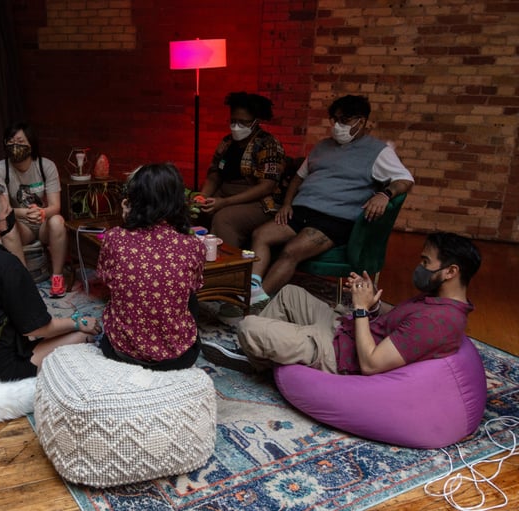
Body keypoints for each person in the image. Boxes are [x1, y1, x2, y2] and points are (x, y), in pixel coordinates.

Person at [203, 232, 480, 376]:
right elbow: (399, 322)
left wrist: (359, 309)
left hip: (340, 355)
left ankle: (268, 356)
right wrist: (371, 304)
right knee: (289, 293)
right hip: (343, 331)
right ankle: (264, 358)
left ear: (450, 271)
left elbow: (371, 364)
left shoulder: (438, 322)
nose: (419, 267)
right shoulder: (437, 301)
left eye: (425, 262)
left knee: (250, 326)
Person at [246, 94, 414, 306]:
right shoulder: (323, 146)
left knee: (291, 251)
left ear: (360, 121)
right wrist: (288, 203)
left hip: (334, 218)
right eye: (334, 119)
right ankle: (253, 286)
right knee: (260, 235)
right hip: (302, 211)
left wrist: (385, 194)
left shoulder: (378, 151)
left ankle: (258, 303)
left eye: (344, 120)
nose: (337, 126)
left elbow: (405, 179)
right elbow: (299, 176)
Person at [0, 182, 99, 381]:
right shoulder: (7, 266)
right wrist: (78, 322)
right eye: (7, 211)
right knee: (85, 336)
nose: (11, 215)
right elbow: (38, 328)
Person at [96, 163, 206, 370]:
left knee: (124, 286)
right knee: (189, 295)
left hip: (121, 352)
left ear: (134, 198)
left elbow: (106, 279)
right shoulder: (193, 246)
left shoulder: (113, 238)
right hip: (177, 358)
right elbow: (194, 285)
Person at [196, 91, 286, 249]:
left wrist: (224, 203)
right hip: (224, 194)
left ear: (256, 122)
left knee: (224, 218)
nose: (236, 127)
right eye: (233, 121)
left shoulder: (267, 144)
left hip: (259, 202)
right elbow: (214, 175)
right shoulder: (227, 142)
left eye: (243, 123)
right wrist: (203, 196)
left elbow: (266, 186)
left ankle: (229, 268)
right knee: (194, 212)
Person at [0, 122, 69, 298]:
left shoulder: (45, 166)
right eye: (10, 142)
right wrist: (25, 213)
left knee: (58, 221)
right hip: (20, 223)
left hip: (43, 222)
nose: (14, 146)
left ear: (30, 144)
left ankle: (57, 276)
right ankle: (23, 280)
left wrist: (41, 213)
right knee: (5, 226)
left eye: (19, 140)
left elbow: (55, 206)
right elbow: (3, 209)